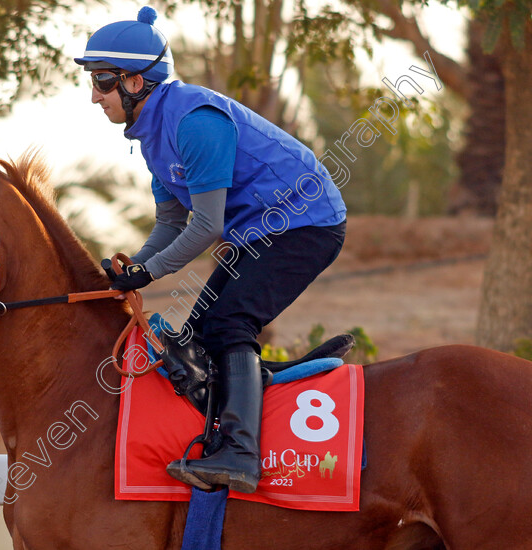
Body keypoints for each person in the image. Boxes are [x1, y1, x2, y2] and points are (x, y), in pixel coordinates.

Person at [75, 6, 347, 494]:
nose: (93, 96)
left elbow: (205, 226)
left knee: (228, 323)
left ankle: (241, 455)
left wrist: (150, 272)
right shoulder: (152, 135)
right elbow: (170, 221)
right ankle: (230, 426)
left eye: (101, 81)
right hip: (260, 232)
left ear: (136, 82)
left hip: (307, 224)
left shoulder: (194, 122)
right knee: (198, 334)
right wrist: (136, 266)